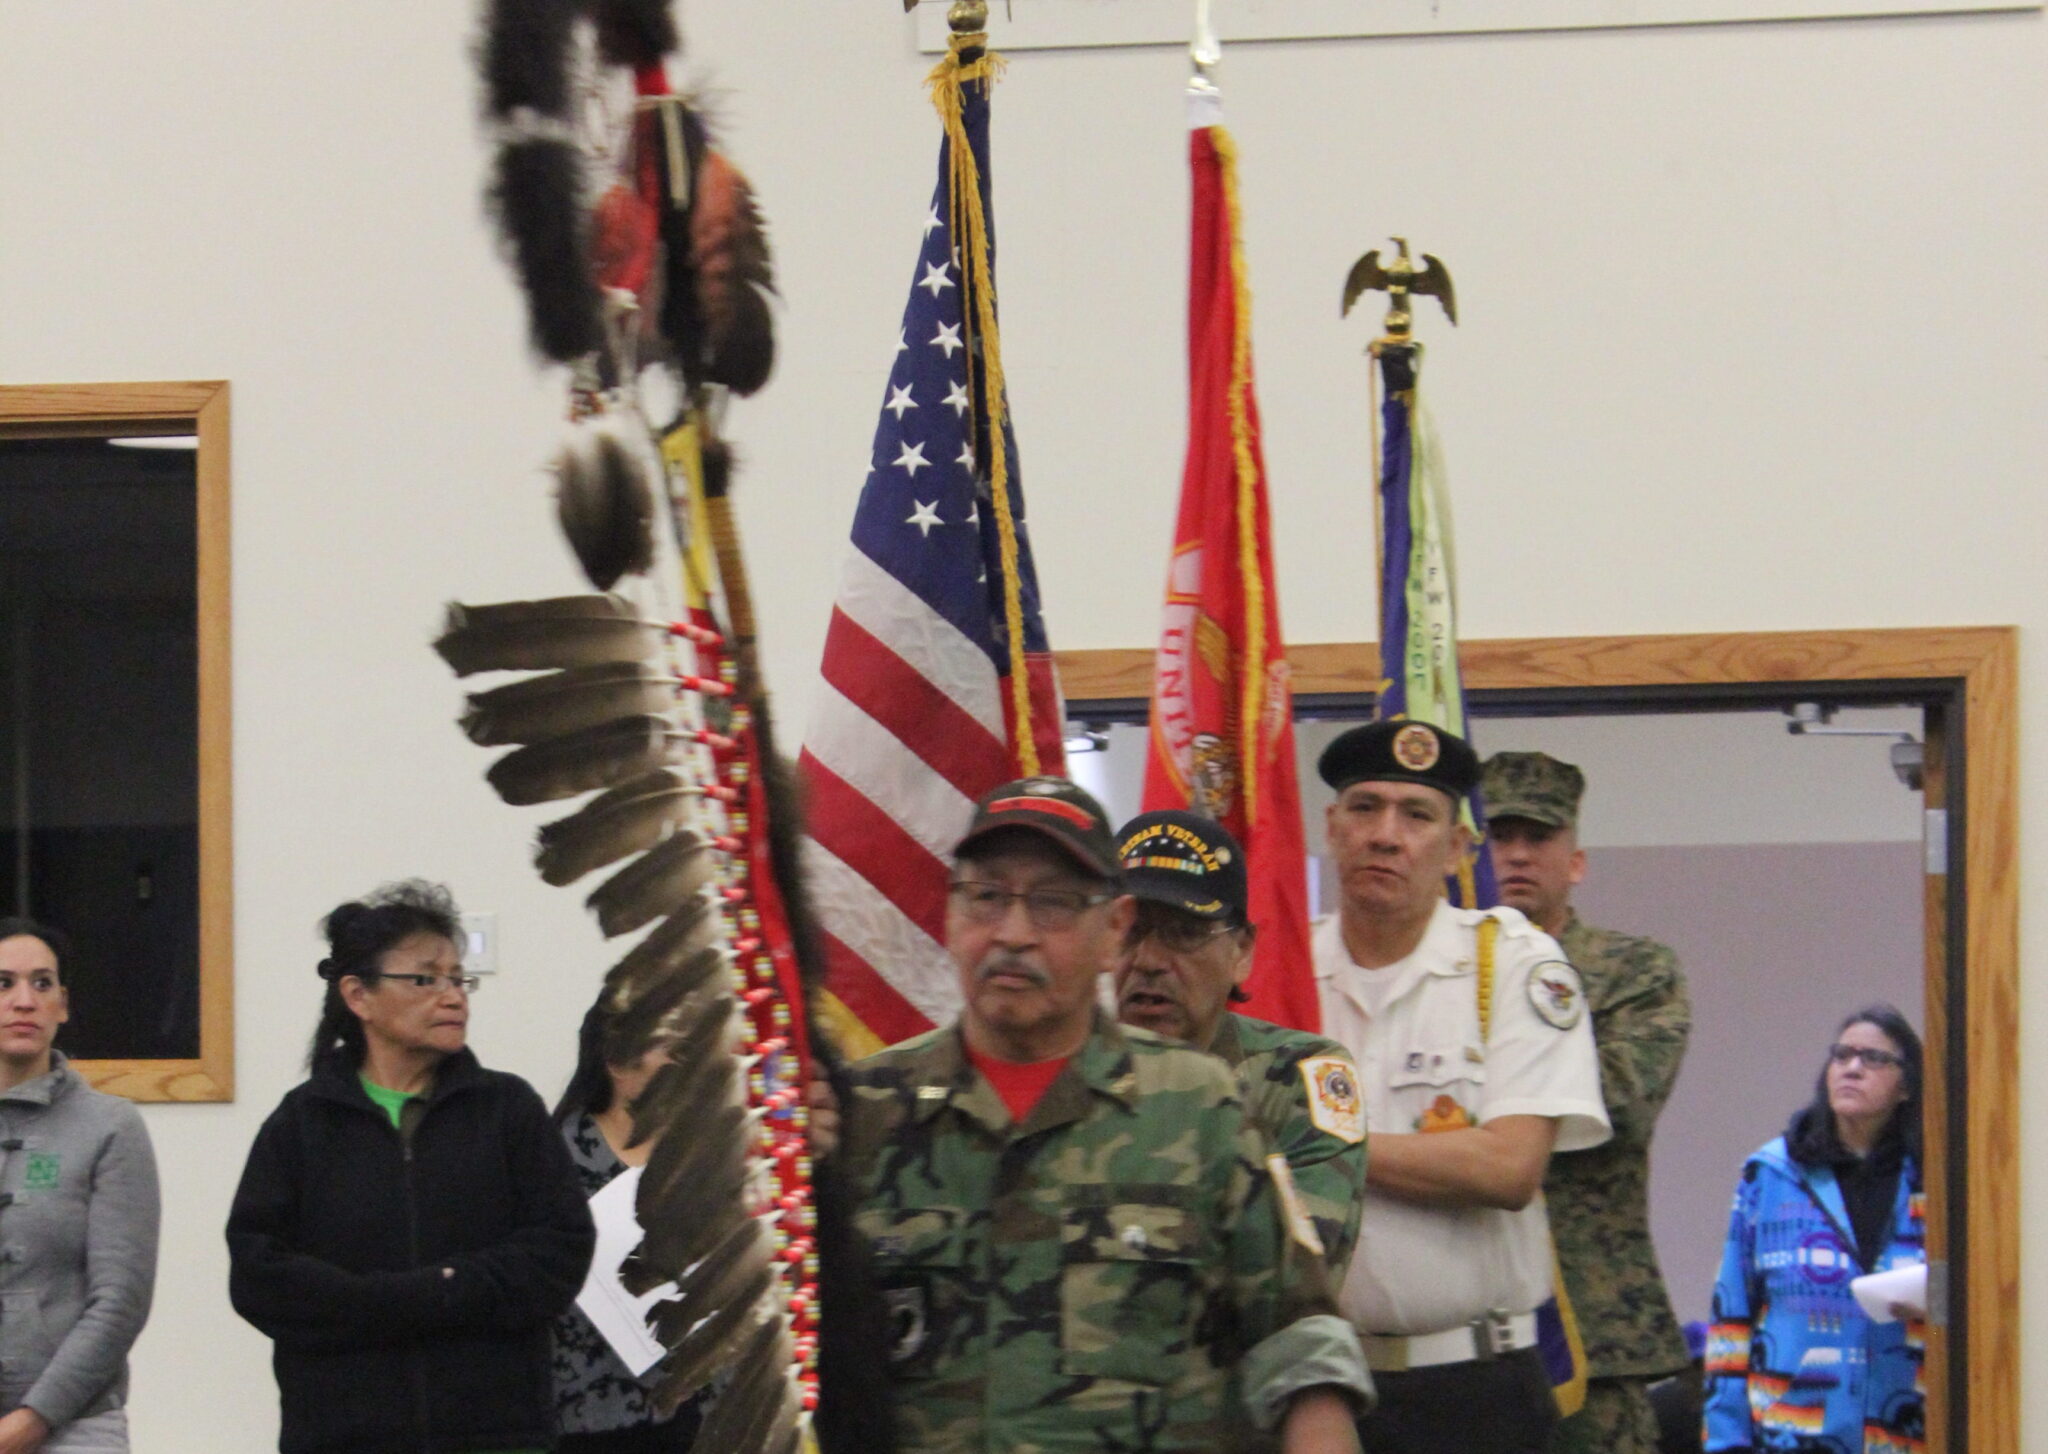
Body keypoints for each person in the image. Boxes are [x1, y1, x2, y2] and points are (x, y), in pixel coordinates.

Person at [836, 777, 1373, 1453]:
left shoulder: (1200, 1108)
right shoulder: (868, 1113)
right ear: (950, 912)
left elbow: (1300, 1348)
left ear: (1109, 931)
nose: (1014, 933)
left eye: (1055, 904)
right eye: (987, 897)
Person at [1310, 721, 1610, 1454]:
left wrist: (1315, 1147)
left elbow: (1507, 1169)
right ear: (1331, 827)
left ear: (1455, 850)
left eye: (1416, 815)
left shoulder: (1510, 963)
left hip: (1472, 1390)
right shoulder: (1283, 970)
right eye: (1365, 808)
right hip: (1314, 1390)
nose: (1385, 835)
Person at [226, 880, 596, 1454]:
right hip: (343, 1434)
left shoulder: (508, 1110)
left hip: (496, 1434)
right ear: (359, 996)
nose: (453, 996)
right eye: (424, 979)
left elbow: (558, 1251)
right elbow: (259, 1274)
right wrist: (378, 1302)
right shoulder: (303, 1122)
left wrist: (446, 1290)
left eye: (457, 978)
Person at [1480, 751, 1693, 1454]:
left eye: (1536, 838)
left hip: (1594, 1329)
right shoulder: (1430, 978)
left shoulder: (1634, 971)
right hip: (1453, 1335)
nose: (1515, 855)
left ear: (1575, 860)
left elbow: (1618, 1104)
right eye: (1497, 835)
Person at [1111, 808, 1367, 1274]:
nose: (1148, 959)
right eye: (1129, 932)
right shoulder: (1057, 1070)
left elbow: (1298, 1276)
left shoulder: (1295, 1077)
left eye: (1184, 933)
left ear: (1241, 953)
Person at [1703, 1005, 1926, 1452]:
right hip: (1793, 1432)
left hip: (1906, 1429)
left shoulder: (1933, 1178)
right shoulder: (1770, 1175)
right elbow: (1731, 1315)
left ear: (1906, 1086)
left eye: (1874, 1059)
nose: (1853, 1068)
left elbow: (1973, 1297)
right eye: (1842, 1056)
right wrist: (1725, 1440)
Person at [0, 919, 159, 1454]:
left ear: (63, 1004)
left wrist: (32, 1421)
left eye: (42, 984)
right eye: (3, 984)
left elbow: (120, 1301)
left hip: (74, 1426)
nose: (24, 1000)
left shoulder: (110, 1126)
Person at [548, 993, 706, 1452]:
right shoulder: (552, 1160)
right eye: (673, 1051)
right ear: (617, 1061)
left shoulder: (711, 1153)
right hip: (597, 1418)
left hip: (707, 1413)